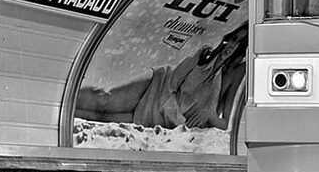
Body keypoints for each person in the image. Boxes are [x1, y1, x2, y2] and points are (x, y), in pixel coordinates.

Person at [76, 24, 248, 129]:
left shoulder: (232, 75)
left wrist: (209, 115)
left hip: (164, 117)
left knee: (98, 118)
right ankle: (58, 98)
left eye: (238, 43)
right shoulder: (204, 55)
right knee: (104, 101)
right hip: (158, 87)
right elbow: (173, 82)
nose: (232, 45)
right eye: (233, 39)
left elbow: (228, 124)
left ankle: (55, 113)